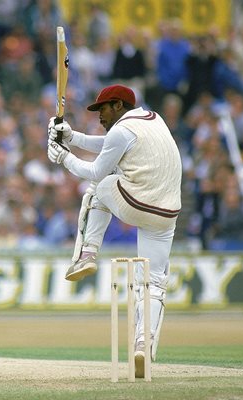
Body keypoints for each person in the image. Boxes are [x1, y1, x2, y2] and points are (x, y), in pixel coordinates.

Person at [46, 84, 182, 378]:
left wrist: (63, 157)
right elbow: (111, 145)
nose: (99, 117)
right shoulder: (152, 119)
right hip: (167, 214)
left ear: (118, 105)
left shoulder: (121, 131)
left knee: (99, 186)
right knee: (154, 281)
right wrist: (72, 138)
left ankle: (86, 254)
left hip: (138, 202)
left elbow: (96, 169)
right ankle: (143, 345)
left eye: (102, 110)